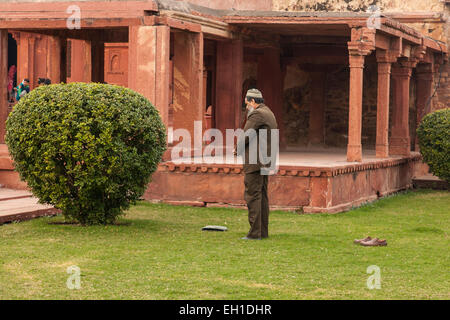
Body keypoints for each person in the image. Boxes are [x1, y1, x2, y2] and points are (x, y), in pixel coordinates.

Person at [236, 89, 278, 240]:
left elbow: (246, 135)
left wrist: (237, 149)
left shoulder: (257, 114)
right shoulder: (268, 112)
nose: (247, 107)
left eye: (247, 104)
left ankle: (255, 234)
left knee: (253, 196)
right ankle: (262, 232)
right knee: (262, 196)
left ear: (253, 101)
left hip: (256, 162)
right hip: (265, 161)